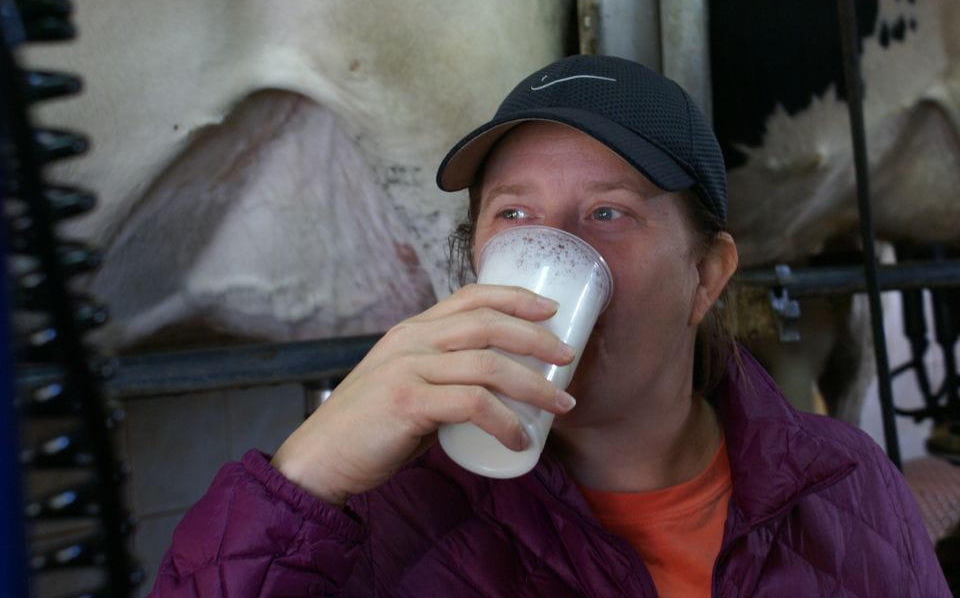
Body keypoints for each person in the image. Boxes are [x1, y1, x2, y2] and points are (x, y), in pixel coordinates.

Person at [149, 55, 949, 597]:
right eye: (516, 214)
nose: (557, 249)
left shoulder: (843, 483)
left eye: (608, 212)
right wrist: (303, 476)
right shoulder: (390, 515)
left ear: (706, 276)